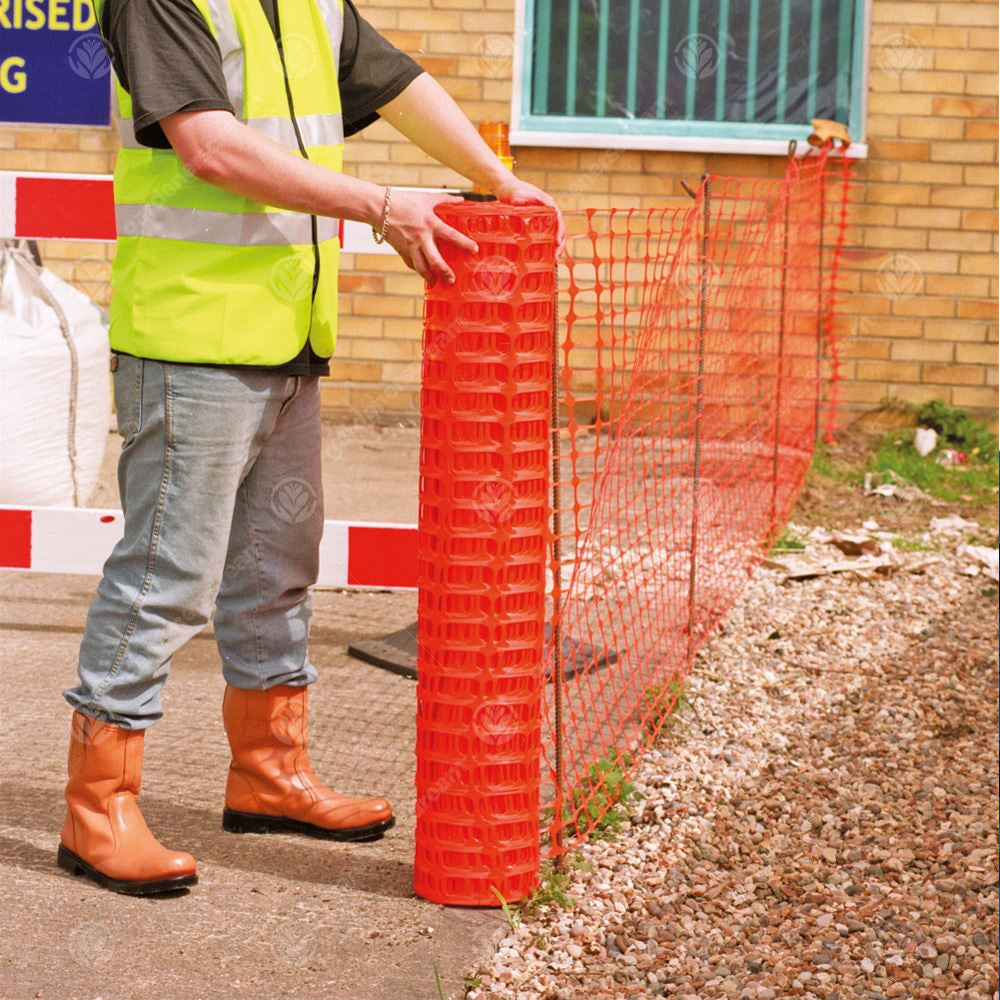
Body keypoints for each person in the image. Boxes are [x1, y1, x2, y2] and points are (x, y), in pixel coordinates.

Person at [58, 0, 561, 896]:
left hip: (287, 329)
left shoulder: (311, 2)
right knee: (165, 577)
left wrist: (496, 177)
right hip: (191, 338)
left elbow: (399, 84)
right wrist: (381, 205)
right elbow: (208, 145)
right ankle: (98, 809)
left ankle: (269, 775)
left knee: (278, 569)